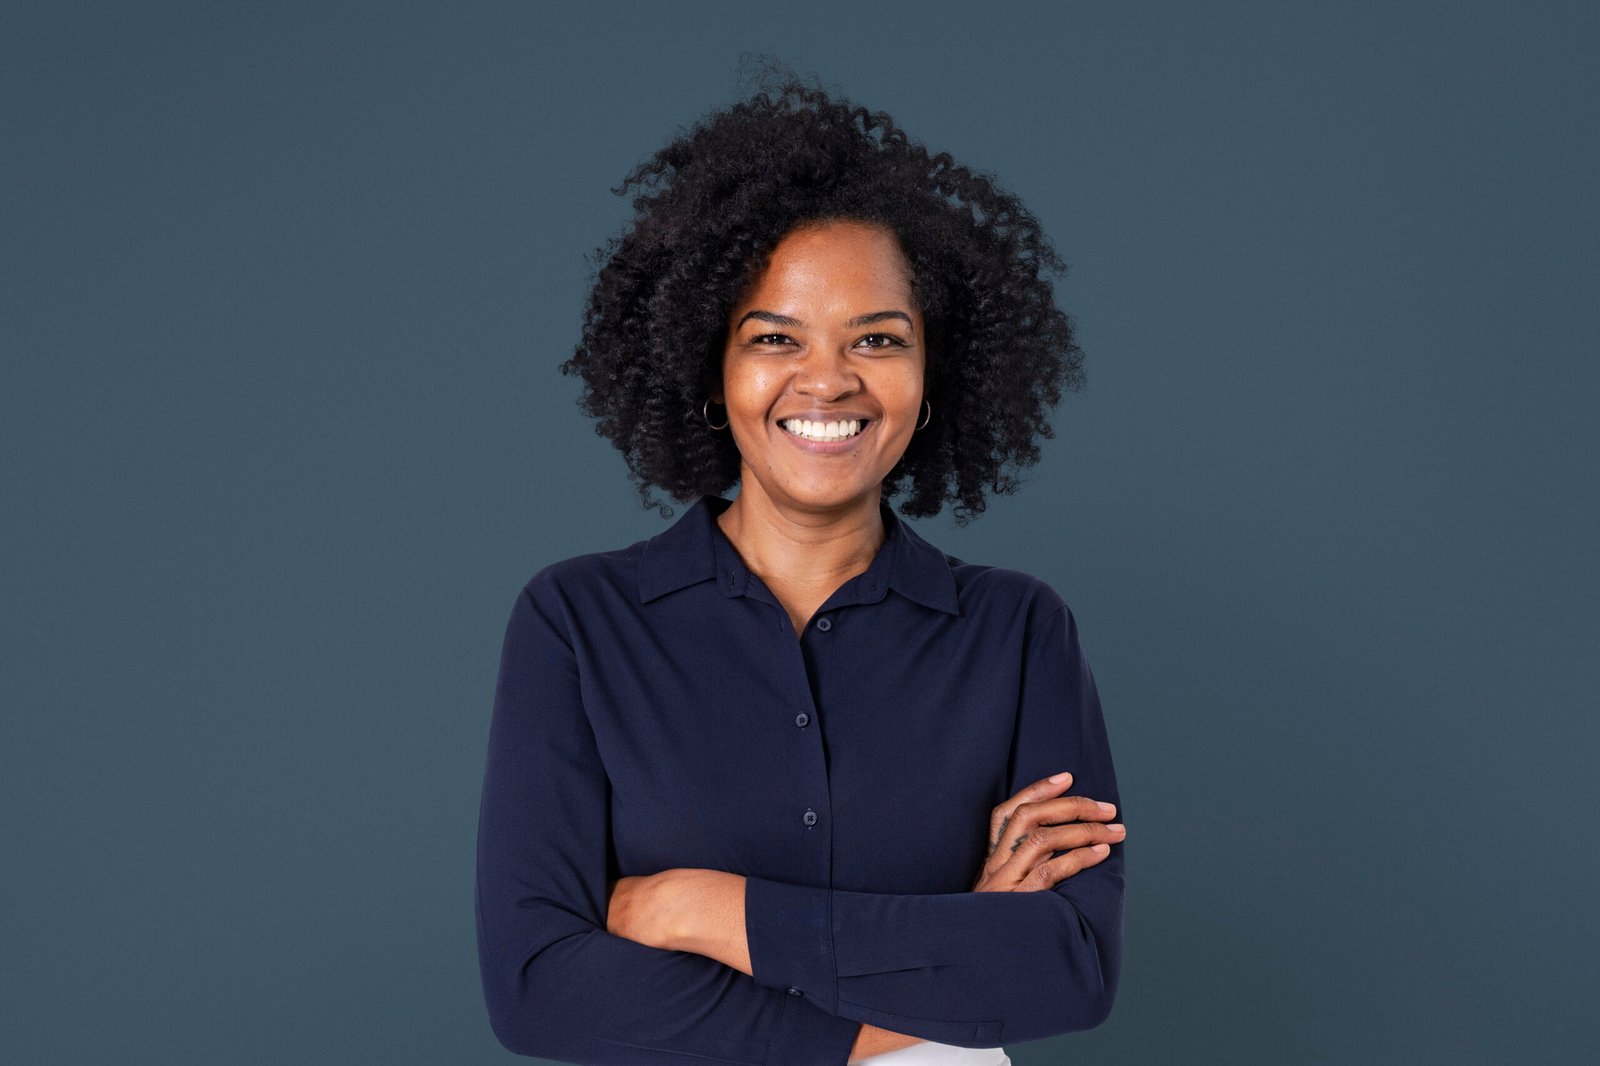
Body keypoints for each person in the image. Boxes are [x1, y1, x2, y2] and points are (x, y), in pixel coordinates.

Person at [476, 70, 1126, 1066]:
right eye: (774, 338)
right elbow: (538, 990)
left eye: (878, 338)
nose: (827, 379)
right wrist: (926, 987)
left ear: (931, 371)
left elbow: (1066, 966)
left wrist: (703, 907)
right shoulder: (580, 621)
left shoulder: (1015, 632)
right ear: (710, 366)